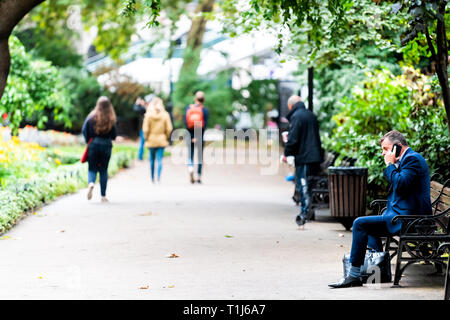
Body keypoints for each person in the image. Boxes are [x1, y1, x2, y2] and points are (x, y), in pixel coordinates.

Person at [328, 130, 432, 288]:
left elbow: (401, 184)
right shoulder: (407, 159)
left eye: (385, 149)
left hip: (410, 220)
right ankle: (379, 270)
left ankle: (354, 275)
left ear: (397, 147)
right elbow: (401, 186)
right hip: (401, 215)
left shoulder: (413, 159)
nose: (383, 153)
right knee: (368, 227)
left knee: (360, 224)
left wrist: (390, 165)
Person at [281, 95, 322, 227]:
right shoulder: (310, 115)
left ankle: (305, 213)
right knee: (309, 184)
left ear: (291, 106)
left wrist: (287, 152)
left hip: (304, 157)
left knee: (303, 184)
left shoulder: (297, 117)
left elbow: (294, 138)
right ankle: (309, 212)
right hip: (314, 156)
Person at [82, 96, 117, 202]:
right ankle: (103, 195)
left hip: (93, 144)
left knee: (92, 168)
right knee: (103, 170)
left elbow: (85, 131)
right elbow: (114, 135)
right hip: (106, 145)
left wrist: (89, 140)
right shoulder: (111, 118)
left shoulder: (91, 117)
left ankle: (91, 183)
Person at [142, 97, 173, 183]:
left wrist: (146, 137)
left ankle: (152, 178)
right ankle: (158, 177)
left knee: (151, 160)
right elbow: (169, 128)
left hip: (151, 139)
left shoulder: (148, 115)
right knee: (159, 159)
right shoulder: (165, 115)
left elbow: (145, 129)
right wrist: (166, 136)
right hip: (161, 139)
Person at [184, 91, 209, 184]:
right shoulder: (204, 110)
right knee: (199, 156)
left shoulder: (188, 108)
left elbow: (186, 123)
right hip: (200, 134)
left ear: (195, 99)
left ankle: (190, 168)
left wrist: (191, 136)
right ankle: (198, 176)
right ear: (203, 100)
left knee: (190, 154)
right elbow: (204, 124)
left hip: (190, 134)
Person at [134, 95, 153, 160]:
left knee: (143, 143)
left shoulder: (146, 108)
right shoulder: (153, 108)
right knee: (148, 143)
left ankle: (141, 157)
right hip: (150, 129)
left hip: (145, 129)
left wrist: (137, 103)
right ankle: (149, 157)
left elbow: (136, 108)